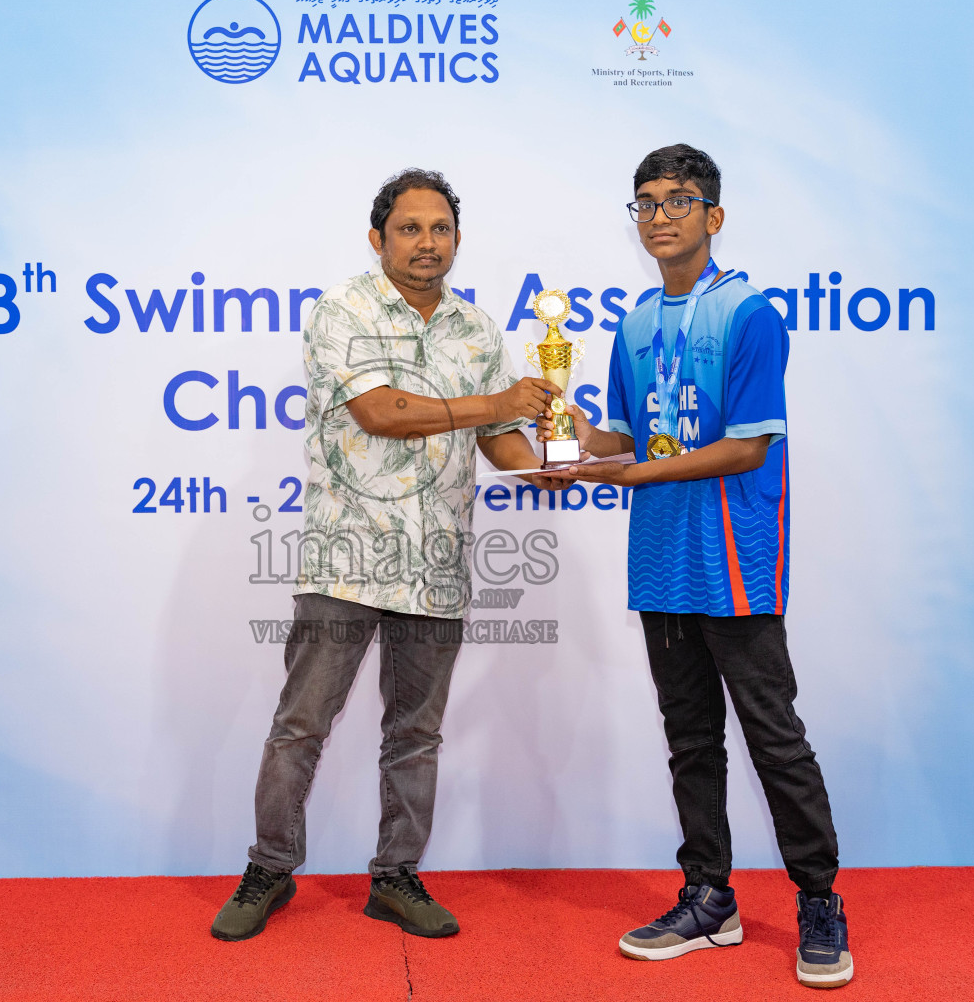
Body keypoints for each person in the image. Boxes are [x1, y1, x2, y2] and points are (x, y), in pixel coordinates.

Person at [211, 169, 559, 942]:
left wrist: (554, 460)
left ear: (457, 240)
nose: (426, 242)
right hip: (346, 559)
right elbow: (381, 412)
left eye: (440, 229)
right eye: (409, 228)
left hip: (436, 565)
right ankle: (269, 869)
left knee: (416, 735)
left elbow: (500, 441)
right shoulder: (344, 309)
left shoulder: (477, 329)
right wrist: (496, 405)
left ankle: (395, 877)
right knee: (301, 726)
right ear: (379, 238)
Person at [541, 145, 852, 988]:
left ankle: (819, 900)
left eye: (678, 200)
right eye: (645, 202)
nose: (659, 216)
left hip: (735, 561)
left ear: (713, 216)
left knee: (772, 736)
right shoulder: (635, 323)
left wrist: (635, 474)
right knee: (689, 739)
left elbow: (748, 447)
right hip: (661, 558)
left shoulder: (749, 315)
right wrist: (570, 436)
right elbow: (627, 436)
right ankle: (710, 895)